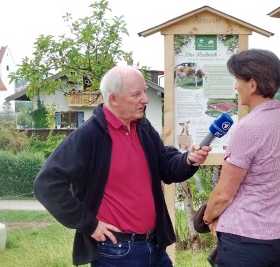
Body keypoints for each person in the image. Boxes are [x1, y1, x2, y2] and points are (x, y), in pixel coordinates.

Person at [33, 65, 211, 267]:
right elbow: (46, 184)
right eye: (137, 94)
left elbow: (165, 164)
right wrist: (90, 225)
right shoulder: (88, 136)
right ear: (113, 99)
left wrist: (188, 159)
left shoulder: (142, 126)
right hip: (116, 251)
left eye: (144, 91)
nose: (145, 99)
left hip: (154, 246)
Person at [202, 49, 280, 267]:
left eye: (238, 80)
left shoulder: (247, 128)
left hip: (245, 243)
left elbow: (224, 194)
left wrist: (207, 218)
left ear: (252, 85)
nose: (236, 87)